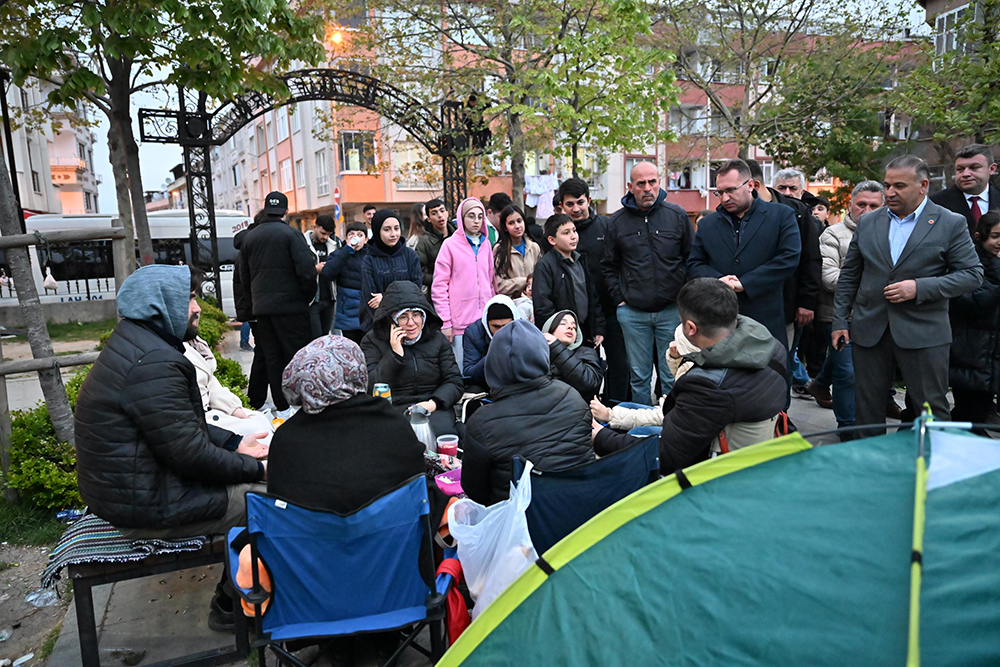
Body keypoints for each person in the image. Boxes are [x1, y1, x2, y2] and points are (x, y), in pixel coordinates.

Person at [74, 265, 268, 631]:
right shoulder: (153, 362)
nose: (197, 308)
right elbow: (190, 455)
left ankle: (238, 594)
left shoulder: (139, 344)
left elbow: (179, 429)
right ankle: (234, 604)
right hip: (146, 505)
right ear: (159, 306)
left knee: (261, 481)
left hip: (135, 492)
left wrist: (235, 442)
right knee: (273, 500)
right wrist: (258, 469)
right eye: (190, 298)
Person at [832, 155, 983, 434]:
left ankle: (933, 458)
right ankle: (870, 458)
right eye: (887, 185)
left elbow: (972, 274)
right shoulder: (868, 222)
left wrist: (919, 288)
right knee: (866, 409)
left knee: (931, 408)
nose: (890, 192)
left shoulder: (949, 222)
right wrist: (840, 320)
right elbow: (850, 275)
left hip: (924, 332)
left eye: (899, 186)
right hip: (870, 330)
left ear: (923, 186)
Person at [593, 278, 787, 475]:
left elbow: (666, 458)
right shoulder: (772, 347)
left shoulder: (707, 386)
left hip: (717, 473)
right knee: (630, 411)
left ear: (691, 328)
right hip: (756, 452)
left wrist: (601, 437)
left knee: (634, 435)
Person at [267, 335, 427, 514]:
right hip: (388, 528)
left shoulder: (285, 437)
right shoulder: (390, 421)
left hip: (310, 531)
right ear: (357, 371)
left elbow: (279, 506)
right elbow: (417, 483)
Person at [462, 320, 594, 506]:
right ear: (542, 355)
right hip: (581, 511)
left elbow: (475, 492)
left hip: (520, 520)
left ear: (493, 363)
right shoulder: (572, 396)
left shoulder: (482, 422)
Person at [603, 161, 693, 405]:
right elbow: (609, 265)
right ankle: (642, 423)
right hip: (633, 313)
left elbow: (691, 258)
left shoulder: (677, 216)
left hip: (671, 310)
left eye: (652, 182)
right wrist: (619, 300)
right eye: (640, 183)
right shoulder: (617, 222)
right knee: (639, 377)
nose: (647, 188)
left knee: (672, 374)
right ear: (630, 186)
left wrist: (685, 299)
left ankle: (673, 421)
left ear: (659, 182)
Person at [688, 159, 801, 350]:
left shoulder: (781, 215)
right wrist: (720, 281)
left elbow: (788, 259)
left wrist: (746, 283)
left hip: (766, 321)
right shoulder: (707, 224)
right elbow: (694, 264)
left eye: (731, 190)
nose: (725, 198)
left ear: (750, 185)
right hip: (720, 323)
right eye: (720, 192)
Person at [808, 181, 886, 433]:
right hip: (839, 316)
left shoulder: (890, 233)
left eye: (874, 206)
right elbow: (829, 277)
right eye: (861, 204)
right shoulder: (833, 234)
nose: (866, 211)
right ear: (850, 205)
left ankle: (820, 384)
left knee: (852, 366)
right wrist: (874, 283)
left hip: (876, 316)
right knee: (848, 373)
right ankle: (848, 427)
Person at [745, 160, 821, 408]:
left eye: (792, 188)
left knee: (781, 364)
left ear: (753, 184)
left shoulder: (797, 212)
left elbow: (810, 259)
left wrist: (806, 302)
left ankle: (782, 418)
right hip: (748, 303)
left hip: (787, 305)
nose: (787, 192)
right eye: (783, 187)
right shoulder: (737, 210)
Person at [237, 191, 317, 417]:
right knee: (297, 356)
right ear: (286, 211)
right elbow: (307, 272)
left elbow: (244, 277)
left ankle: (282, 407)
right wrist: (306, 298)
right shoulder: (292, 234)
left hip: (263, 309)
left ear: (265, 209)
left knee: (272, 357)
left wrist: (254, 302)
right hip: (292, 307)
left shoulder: (250, 238)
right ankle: (300, 404)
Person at [559, 177, 629, 404]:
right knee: (582, 370)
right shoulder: (558, 233)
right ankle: (585, 410)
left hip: (611, 309)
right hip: (578, 316)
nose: (576, 209)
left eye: (580, 202)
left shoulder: (607, 226)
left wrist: (620, 298)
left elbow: (621, 263)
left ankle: (615, 408)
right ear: (561, 206)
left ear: (589, 200)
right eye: (570, 204)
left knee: (620, 365)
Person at [362, 281, 464, 438]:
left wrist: (432, 403)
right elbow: (369, 387)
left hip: (433, 406)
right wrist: (394, 355)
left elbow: (454, 381)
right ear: (392, 320)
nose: (411, 323)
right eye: (403, 317)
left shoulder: (437, 340)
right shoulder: (372, 341)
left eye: (416, 315)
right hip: (393, 409)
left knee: (442, 435)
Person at [948, 211, 1000, 432]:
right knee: (967, 413)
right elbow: (973, 303)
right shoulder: (969, 262)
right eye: (995, 236)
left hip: (991, 354)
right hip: (971, 351)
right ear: (980, 236)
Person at [432, 196, 496, 368]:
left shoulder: (486, 244)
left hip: (485, 322)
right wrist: (446, 322)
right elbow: (439, 287)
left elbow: (491, 282)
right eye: (471, 216)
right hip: (460, 324)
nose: (476, 221)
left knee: (486, 368)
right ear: (461, 217)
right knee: (462, 370)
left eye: (480, 216)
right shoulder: (450, 245)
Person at [183, 335, 275, 444]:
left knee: (261, 421)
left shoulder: (192, 341)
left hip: (213, 414)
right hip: (201, 426)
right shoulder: (171, 353)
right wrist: (233, 443)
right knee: (259, 432)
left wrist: (234, 408)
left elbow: (210, 382)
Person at [534, 214, 605, 347]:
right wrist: (557, 334)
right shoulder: (545, 266)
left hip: (585, 333)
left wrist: (598, 327)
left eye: (574, 230)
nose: (573, 236)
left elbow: (593, 298)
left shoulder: (581, 260)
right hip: (561, 338)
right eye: (566, 233)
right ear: (552, 240)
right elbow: (543, 306)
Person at [360, 209, 422, 331]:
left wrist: (385, 298)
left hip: (409, 324)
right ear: (377, 231)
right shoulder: (369, 259)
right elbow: (371, 299)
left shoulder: (410, 255)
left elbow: (415, 291)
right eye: (387, 230)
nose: (393, 234)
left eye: (396, 228)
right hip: (378, 323)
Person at [233, 212, 267, 408]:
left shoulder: (248, 244)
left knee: (263, 353)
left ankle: (257, 399)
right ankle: (256, 399)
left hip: (254, 308)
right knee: (263, 353)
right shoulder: (252, 247)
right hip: (257, 310)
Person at [930, 144, 999, 237]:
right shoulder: (935, 204)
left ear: (992, 169)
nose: (965, 174)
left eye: (974, 168)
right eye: (960, 169)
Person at [323, 222, 369, 345]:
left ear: (366, 239)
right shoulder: (339, 254)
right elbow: (328, 273)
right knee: (351, 347)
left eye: (360, 235)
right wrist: (347, 250)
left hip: (368, 312)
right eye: (351, 234)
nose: (356, 237)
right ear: (346, 238)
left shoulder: (372, 256)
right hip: (348, 311)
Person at [542, 310, 603, 401]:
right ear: (549, 330)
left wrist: (557, 347)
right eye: (563, 324)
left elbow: (589, 383)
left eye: (574, 327)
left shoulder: (586, 352)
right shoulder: (538, 354)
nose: (570, 327)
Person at [463, 294, 521, 389]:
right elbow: (469, 374)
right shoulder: (473, 333)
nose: (501, 331)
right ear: (487, 324)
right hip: (486, 385)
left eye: (506, 326)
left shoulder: (523, 331)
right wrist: (493, 354)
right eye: (496, 326)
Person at [493, 204, 541, 298]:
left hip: (534, 300)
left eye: (519, 221)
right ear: (505, 227)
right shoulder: (499, 250)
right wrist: (524, 281)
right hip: (511, 301)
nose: (517, 226)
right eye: (511, 223)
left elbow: (541, 277)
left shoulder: (534, 247)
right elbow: (498, 285)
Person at [304, 215, 340, 339]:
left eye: (328, 234)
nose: (325, 237)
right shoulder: (303, 244)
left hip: (329, 297)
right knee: (315, 336)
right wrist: (315, 269)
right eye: (323, 233)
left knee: (325, 337)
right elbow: (299, 269)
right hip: (312, 299)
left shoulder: (334, 245)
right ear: (314, 227)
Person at [414, 198, 455, 291]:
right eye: (434, 213)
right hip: (438, 291)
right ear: (428, 219)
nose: (440, 215)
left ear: (447, 212)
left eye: (442, 211)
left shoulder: (458, 235)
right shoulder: (425, 242)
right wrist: (438, 278)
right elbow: (416, 272)